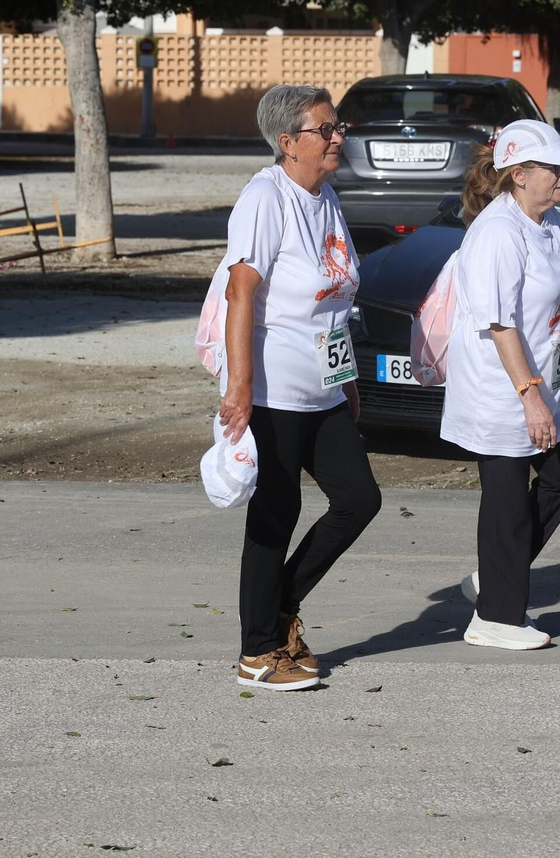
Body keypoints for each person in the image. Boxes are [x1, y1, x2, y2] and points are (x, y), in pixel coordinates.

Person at [217, 84, 381, 691]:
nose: (339, 137)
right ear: (289, 143)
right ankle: (257, 651)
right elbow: (242, 292)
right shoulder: (266, 197)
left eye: (339, 126)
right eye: (326, 129)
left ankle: (277, 609)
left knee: (359, 499)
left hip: (324, 386)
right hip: (275, 386)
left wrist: (348, 382)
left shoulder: (326, 198)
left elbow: (334, 301)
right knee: (276, 512)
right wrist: (239, 387)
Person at [439, 119, 560, 650]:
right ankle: (496, 618)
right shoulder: (498, 233)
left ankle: (495, 573)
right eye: (553, 166)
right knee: (505, 497)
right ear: (519, 175)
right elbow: (499, 323)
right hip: (503, 391)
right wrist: (531, 397)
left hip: (549, 382)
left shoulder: (552, 221)